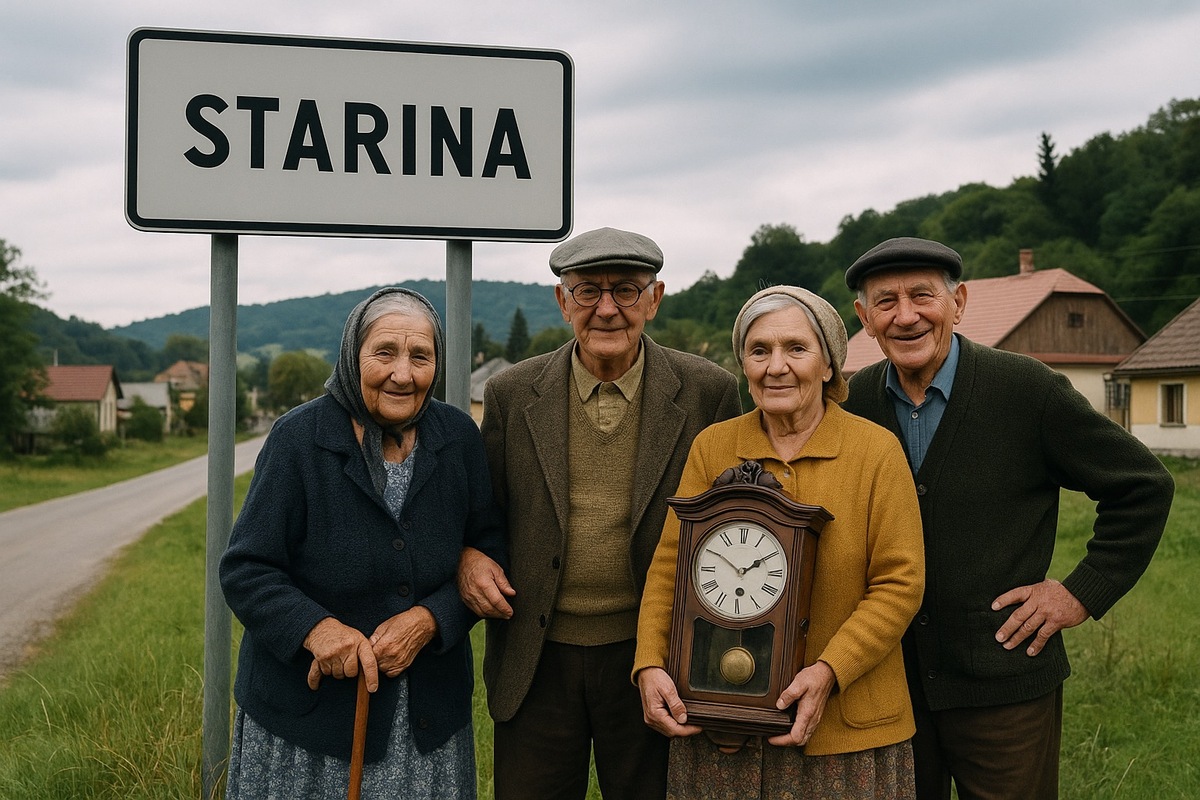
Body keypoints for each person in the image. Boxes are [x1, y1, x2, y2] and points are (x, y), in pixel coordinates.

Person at [841, 237, 1176, 800]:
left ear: (959, 302)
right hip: (889, 690)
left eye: (923, 296)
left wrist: (1078, 592)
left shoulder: (1027, 390)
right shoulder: (855, 405)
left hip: (1005, 687)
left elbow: (1143, 485)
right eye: (885, 302)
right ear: (864, 319)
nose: (906, 316)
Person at [456, 226, 741, 799]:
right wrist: (468, 556)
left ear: (654, 300)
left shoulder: (709, 391)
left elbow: (731, 527)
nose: (607, 308)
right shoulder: (513, 393)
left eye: (627, 290)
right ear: (563, 302)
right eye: (588, 290)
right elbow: (482, 515)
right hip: (537, 658)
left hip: (656, 656)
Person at [634, 285, 926, 799]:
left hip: (846, 733)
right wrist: (650, 664)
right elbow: (671, 566)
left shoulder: (875, 452)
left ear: (830, 365)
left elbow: (900, 583)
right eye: (759, 350)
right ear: (743, 365)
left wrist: (830, 671)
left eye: (796, 348)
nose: (776, 366)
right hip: (723, 728)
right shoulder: (714, 446)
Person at [219, 287, 505, 799]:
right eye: (385, 353)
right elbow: (247, 568)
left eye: (421, 356)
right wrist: (317, 629)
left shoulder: (458, 437)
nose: (404, 373)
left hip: (425, 724)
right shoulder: (299, 439)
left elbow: (489, 547)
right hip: (306, 728)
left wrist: (432, 619)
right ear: (353, 357)